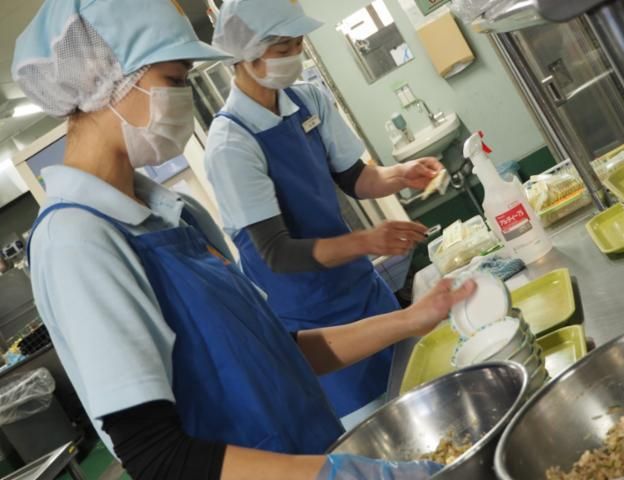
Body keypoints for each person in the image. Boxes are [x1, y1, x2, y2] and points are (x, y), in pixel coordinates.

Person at [14, 0, 475, 479]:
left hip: (310, 449)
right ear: (102, 80)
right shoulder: (76, 241)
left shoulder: (172, 215)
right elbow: (157, 455)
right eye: (173, 79)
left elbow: (275, 349)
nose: (183, 98)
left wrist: (412, 319)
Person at [206, 0, 444, 417]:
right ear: (245, 55)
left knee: (424, 390)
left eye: (298, 44)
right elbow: (277, 252)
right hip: (314, 322)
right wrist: (367, 241)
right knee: (379, 424)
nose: (295, 55)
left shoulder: (308, 100)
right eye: (283, 49)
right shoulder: (231, 144)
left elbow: (355, 177)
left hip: (362, 291)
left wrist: (401, 174)